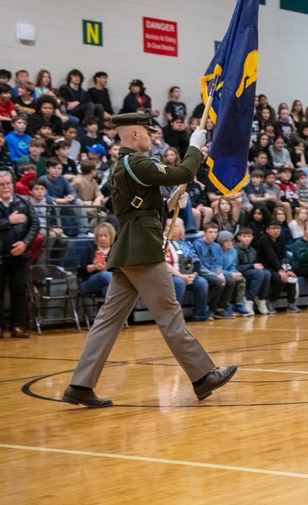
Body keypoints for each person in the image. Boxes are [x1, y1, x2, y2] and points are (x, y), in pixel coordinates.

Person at [62, 112, 235, 407]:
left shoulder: (126, 166)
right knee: (169, 315)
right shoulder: (135, 162)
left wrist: (169, 205)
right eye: (146, 132)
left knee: (107, 321)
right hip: (142, 250)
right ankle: (203, 375)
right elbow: (182, 174)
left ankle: (80, 384)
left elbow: (138, 208)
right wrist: (194, 147)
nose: (151, 137)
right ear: (133, 135)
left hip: (132, 247)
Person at [0, 170, 39, 339]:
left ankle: (18, 326)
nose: (6, 187)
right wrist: (8, 221)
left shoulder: (24, 201)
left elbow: (34, 225)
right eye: (2, 184)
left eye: (8, 183)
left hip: (20, 256)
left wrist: (25, 243)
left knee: (19, 290)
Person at [78, 223, 116, 298]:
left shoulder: (116, 250)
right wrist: (95, 267)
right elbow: (80, 270)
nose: (103, 238)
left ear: (111, 237)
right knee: (103, 274)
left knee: (106, 290)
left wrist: (106, 267)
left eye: (105, 236)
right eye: (100, 236)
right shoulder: (90, 249)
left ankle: (108, 309)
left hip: (108, 282)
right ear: (96, 237)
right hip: (89, 282)